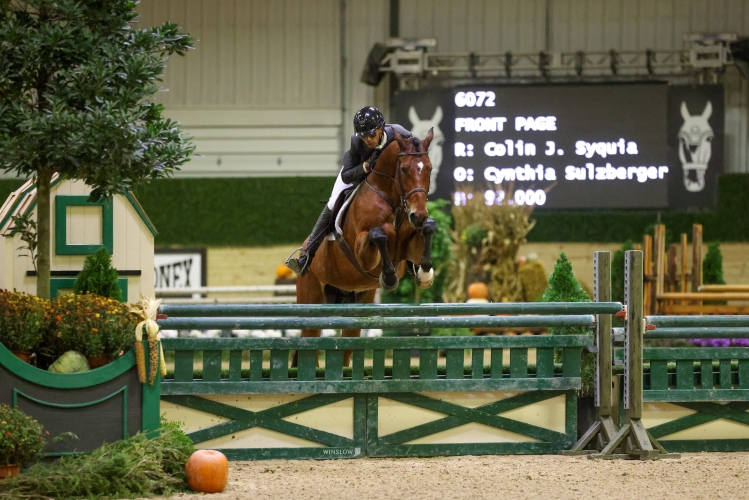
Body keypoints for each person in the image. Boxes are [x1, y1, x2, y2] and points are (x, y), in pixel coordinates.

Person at [286, 106, 411, 277]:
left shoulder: (399, 133)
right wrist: (365, 166)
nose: (368, 140)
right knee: (333, 202)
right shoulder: (357, 142)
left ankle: (412, 258)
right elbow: (346, 175)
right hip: (357, 175)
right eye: (363, 136)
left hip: (388, 180)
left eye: (371, 135)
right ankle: (306, 256)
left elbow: (416, 152)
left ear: (381, 129)